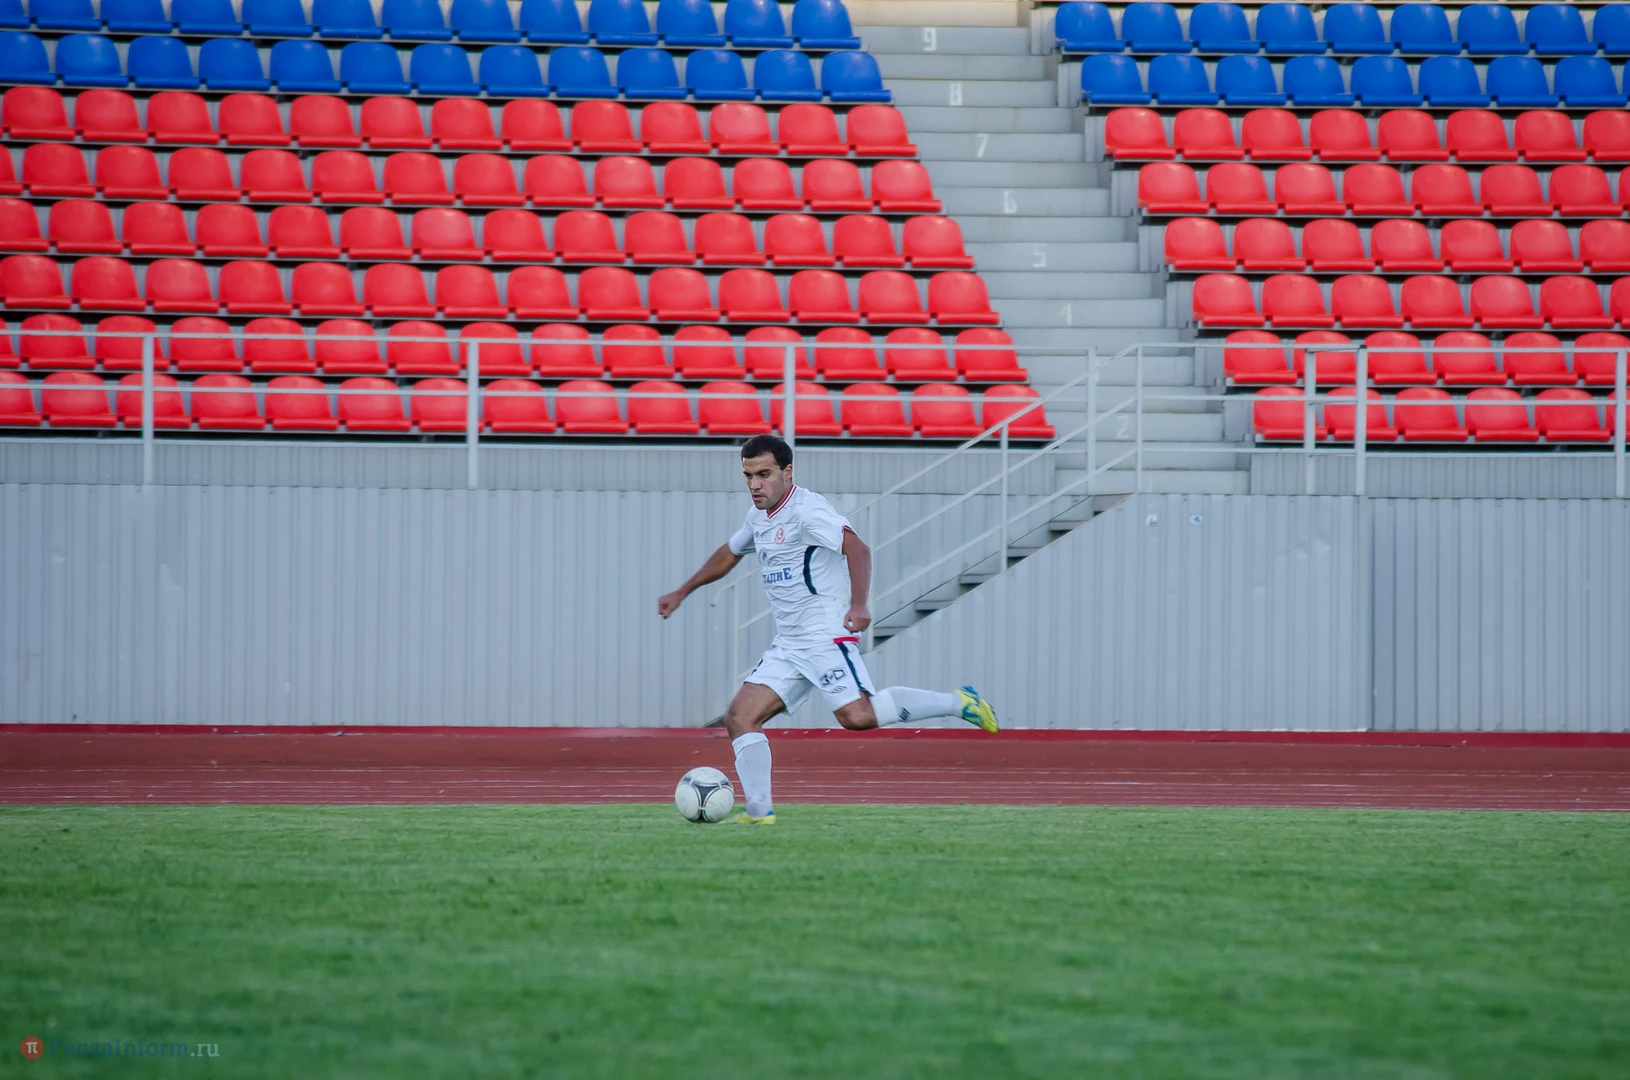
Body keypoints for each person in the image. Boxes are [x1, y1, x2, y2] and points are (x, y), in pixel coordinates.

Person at [658, 434, 998, 825]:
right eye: (748, 476)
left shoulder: (808, 511)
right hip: (790, 642)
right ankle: (759, 812)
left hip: (824, 634)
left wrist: (858, 604)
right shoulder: (758, 517)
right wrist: (682, 591)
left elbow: (858, 549)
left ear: (788, 472)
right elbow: (729, 553)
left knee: (858, 716)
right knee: (740, 717)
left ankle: (959, 702)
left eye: (764, 474)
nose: (755, 484)